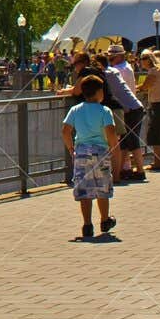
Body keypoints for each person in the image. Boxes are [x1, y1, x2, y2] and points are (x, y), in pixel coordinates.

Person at [61, 73, 120, 239]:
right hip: (100, 151)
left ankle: (87, 224)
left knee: (84, 189)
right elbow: (111, 131)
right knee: (102, 186)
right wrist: (113, 148)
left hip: (81, 152)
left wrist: (71, 148)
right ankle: (105, 219)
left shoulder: (75, 109)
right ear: (99, 92)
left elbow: (65, 131)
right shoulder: (105, 110)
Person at [104, 44, 146, 182]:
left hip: (128, 108)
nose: (110, 59)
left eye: (112, 56)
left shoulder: (118, 70)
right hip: (131, 107)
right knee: (126, 141)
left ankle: (138, 170)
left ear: (120, 56)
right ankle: (124, 169)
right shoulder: (126, 67)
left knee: (131, 141)